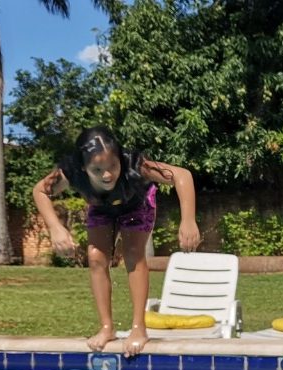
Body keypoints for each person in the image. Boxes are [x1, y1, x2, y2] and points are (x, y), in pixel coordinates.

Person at [32, 126, 200, 355]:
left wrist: (188, 220)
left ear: (120, 157)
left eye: (112, 166)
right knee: (95, 258)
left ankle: (139, 328)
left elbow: (182, 175)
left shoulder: (136, 165)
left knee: (133, 253)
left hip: (138, 203)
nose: (107, 175)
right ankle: (106, 327)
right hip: (101, 207)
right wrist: (55, 228)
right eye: (97, 169)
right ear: (83, 167)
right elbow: (40, 191)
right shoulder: (70, 172)